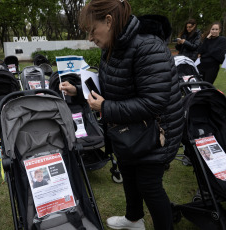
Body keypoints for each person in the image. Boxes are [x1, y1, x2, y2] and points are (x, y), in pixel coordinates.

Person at [59, 0, 184, 229]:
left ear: (109, 21)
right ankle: (133, 219)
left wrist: (106, 108)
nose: (89, 37)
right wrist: (78, 93)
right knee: (128, 173)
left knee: (149, 186)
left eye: (91, 29)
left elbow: (154, 102)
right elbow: (113, 87)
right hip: (130, 131)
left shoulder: (148, 47)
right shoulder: (113, 46)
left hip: (156, 133)